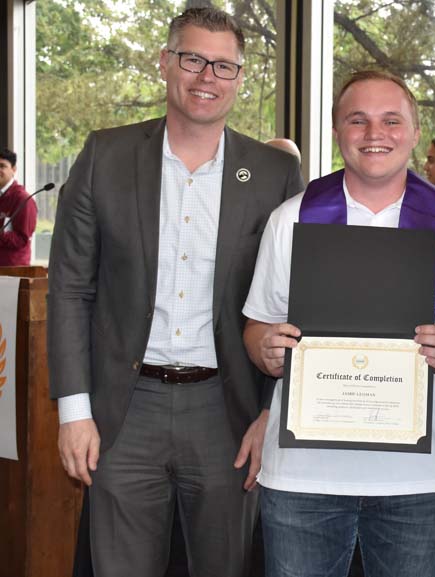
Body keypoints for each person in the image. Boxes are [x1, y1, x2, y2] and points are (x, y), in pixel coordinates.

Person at [46, 7, 303, 577]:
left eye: (223, 65)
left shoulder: (274, 174)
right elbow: (69, 289)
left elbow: (293, 304)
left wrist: (272, 413)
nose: (206, 76)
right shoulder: (105, 157)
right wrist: (73, 412)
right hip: (122, 411)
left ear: (240, 77)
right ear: (166, 64)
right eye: (193, 59)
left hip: (228, 414)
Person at [243, 70, 435, 577]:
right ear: (337, 131)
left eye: (391, 120)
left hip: (417, 482)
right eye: (358, 120)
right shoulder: (291, 217)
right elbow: (257, 326)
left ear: (416, 132)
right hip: (303, 479)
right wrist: (264, 347)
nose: (375, 134)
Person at [0, 148, 38, 266]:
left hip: (11, 273)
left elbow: (22, 239)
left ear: (14, 169)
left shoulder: (23, 200)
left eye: (2, 166)